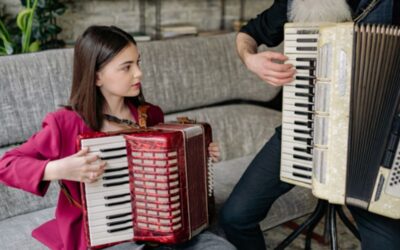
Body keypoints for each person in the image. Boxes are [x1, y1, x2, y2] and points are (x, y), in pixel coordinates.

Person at [0, 25, 234, 250]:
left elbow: (168, 179)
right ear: (96, 76)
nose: (139, 73)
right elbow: (7, 164)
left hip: (162, 229)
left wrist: (197, 158)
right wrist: (60, 168)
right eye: (127, 67)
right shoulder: (65, 123)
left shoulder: (151, 115)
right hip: (107, 235)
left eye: (138, 62)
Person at [219, 0, 400, 250]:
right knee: (236, 216)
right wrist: (251, 59)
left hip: (375, 144)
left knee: (387, 244)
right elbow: (248, 34)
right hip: (305, 125)